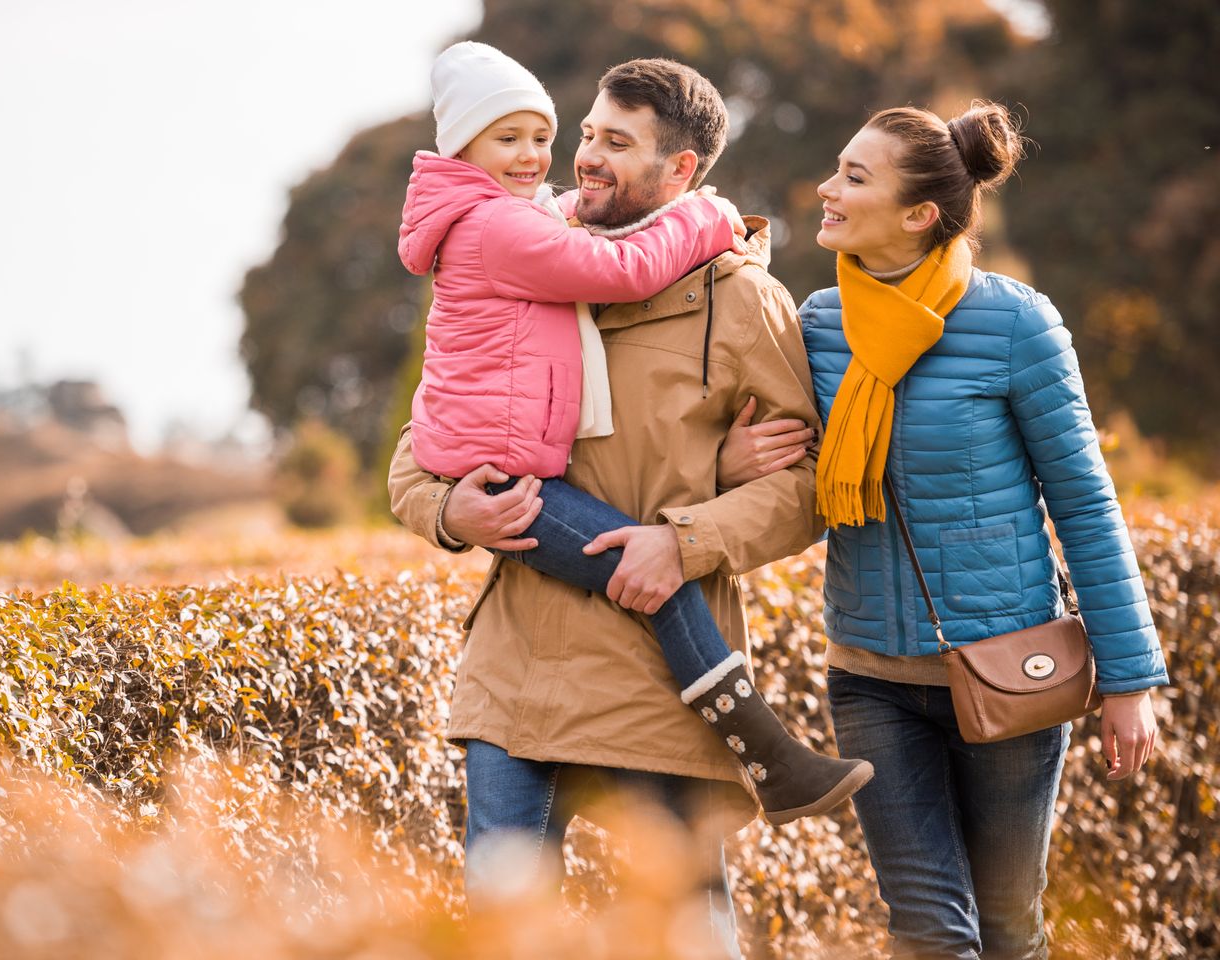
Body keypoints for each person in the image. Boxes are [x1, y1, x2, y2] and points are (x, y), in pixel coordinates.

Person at [389, 56, 830, 953]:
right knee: (501, 939)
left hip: (659, 691)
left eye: (615, 144)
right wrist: (449, 515)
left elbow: (807, 488)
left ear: (682, 174)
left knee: (689, 938)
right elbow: (423, 447)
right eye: (586, 133)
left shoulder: (742, 302)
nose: (583, 157)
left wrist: (690, 537)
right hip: (515, 680)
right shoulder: (527, 252)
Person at [719, 101, 1169, 958]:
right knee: (928, 930)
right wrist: (733, 462)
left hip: (1011, 668)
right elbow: (795, 479)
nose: (827, 188)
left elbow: (1083, 500)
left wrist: (1130, 678)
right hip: (872, 676)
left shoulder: (1015, 323)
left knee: (1008, 927)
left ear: (920, 214)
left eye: (855, 177)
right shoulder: (814, 324)